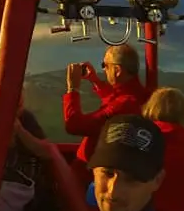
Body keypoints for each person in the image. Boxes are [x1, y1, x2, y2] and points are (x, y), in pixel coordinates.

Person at [63, 44, 150, 186]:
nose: (103, 69)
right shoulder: (138, 96)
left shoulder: (125, 105)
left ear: (117, 70)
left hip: (90, 181)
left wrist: (72, 88)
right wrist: (95, 80)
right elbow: (115, 99)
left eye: (105, 65)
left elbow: (74, 125)